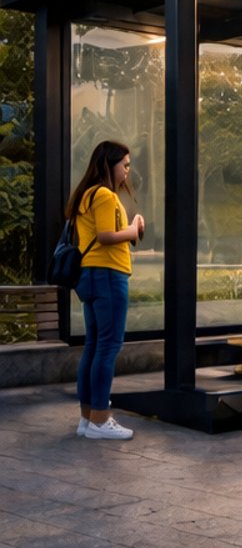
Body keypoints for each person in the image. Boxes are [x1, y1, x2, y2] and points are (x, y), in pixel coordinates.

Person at [70, 141, 145, 440]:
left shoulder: (87, 194)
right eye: (124, 164)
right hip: (108, 276)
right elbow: (106, 236)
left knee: (94, 346)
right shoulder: (103, 195)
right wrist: (135, 228)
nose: (128, 170)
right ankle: (101, 420)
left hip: (91, 275)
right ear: (108, 165)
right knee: (108, 346)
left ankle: (88, 418)